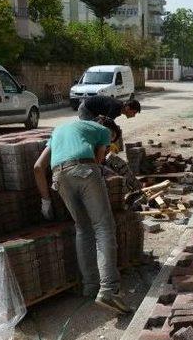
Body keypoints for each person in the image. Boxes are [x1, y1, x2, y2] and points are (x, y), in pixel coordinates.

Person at [33, 116, 130, 314]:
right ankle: (109, 290)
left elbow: (37, 167)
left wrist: (46, 201)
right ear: (109, 131)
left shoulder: (59, 130)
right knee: (104, 228)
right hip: (83, 169)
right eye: (111, 141)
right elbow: (98, 162)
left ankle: (90, 287)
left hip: (58, 176)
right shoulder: (103, 130)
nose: (109, 144)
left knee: (83, 229)